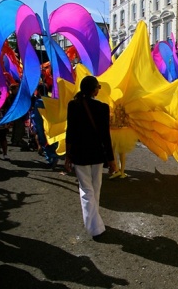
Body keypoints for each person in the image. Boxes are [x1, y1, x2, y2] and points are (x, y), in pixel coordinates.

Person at [65, 76, 116, 239]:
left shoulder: (73, 105)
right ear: (94, 90)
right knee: (95, 188)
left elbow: (70, 132)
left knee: (86, 190)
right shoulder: (103, 107)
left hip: (80, 154)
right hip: (97, 154)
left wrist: (68, 155)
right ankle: (96, 225)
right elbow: (105, 136)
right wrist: (111, 159)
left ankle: (95, 225)